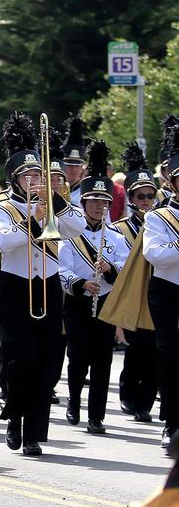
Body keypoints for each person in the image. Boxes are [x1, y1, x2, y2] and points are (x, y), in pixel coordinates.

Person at [0, 112, 85, 456]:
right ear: (15, 180)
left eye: (37, 174)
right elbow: (2, 241)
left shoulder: (58, 204)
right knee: (21, 357)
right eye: (27, 175)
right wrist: (34, 219)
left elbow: (77, 228)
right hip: (15, 285)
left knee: (46, 361)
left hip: (48, 283)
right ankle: (15, 417)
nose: (33, 179)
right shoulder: (1, 205)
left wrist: (55, 200)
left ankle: (34, 432)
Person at [59, 141, 128, 435]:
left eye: (105, 203)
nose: (101, 207)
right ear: (84, 203)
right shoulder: (69, 234)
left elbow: (125, 271)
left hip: (106, 303)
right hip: (77, 301)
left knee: (102, 360)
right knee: (78, 356)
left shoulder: (116, 236)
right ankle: (74, 401)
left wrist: (110, 270)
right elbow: (60, 270)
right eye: (96, 202)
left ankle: (96, 415)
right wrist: (81, 282)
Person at [114, 143, 159, 422]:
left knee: (156, 351)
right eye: (141, 197)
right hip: (132, 297)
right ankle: (128, 394)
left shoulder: (161, 222)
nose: (146, 202)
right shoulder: (119, 229)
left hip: (157, 295)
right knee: (136, 349)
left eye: (151, 196)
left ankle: (144, 403)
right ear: (131, 199)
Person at [144, 137, 179, 449]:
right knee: (170, 353)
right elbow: (155, 254)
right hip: (168, 290)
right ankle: (171, 421)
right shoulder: (158, 216)